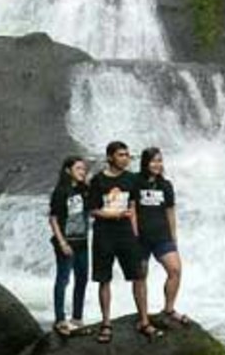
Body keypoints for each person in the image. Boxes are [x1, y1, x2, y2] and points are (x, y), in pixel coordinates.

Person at [88, 141, 163, 344]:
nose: (126, 158)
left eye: (127, 155)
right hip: (103, 234)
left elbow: (133, 206)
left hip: (127, 234)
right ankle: (106, 323)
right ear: (110, 157)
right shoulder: (97, 180)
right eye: (121, 155)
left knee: (138, 276)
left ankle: (144, 321)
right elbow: (93, 210)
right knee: (104, 279)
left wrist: (137, 233)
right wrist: (111, 215)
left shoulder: (131, 179)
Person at [136, 147, 191, 327]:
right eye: (153, 161)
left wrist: (173, 237)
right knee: (140, 276)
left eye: (160, 161)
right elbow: (130, 209)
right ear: (145, 163)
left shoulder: (165, 185)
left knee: (175, 270)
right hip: (140, 238)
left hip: (162, 236)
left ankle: (169, 309)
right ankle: (143, 318)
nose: (157, 164)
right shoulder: (135, 182)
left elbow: (170, 211)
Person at [48, 156, 90, 336]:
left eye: (84, 169)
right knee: (63, 280)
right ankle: (59, 320)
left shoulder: (84, 190)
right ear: (68, 170)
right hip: (66, 243)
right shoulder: (61, 191)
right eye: (79, 168)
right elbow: (53, 219)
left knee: (82, 279)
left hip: (82, 241)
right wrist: (62, 242)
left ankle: (77, 318)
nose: (83, 172)